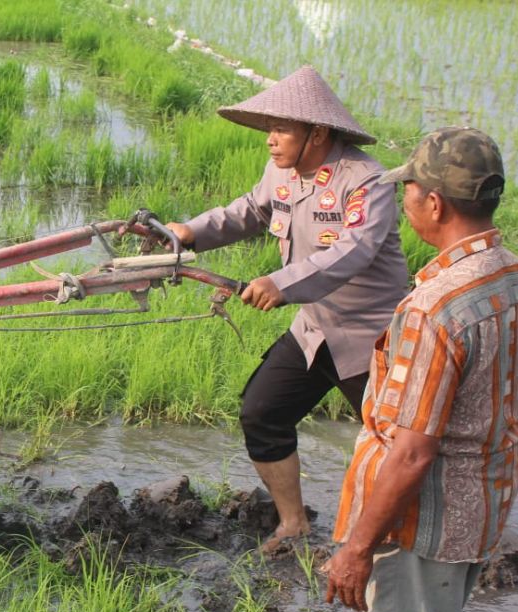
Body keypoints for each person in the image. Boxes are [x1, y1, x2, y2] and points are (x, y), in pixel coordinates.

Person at [323, 127, 518, 612]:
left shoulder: (436, 306)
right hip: (482, 499)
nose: (406, 199)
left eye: (410, 189)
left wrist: (358, 548)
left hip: (422, 521)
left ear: (435, 205)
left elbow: (413, 449)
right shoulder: (517, 278)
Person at [165, 66, 408, 553]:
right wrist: (189, 232)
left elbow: (352, 252)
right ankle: (293, 523)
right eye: (269, 128)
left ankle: (402, 541)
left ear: (317, 132)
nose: (270, 140)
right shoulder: (281, 171)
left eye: (281, 129)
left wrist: (280, 283)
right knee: (263, 412)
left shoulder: (366, 181)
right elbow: (250, 212)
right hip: (314, 327)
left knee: (399, 445)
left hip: (370, 338)